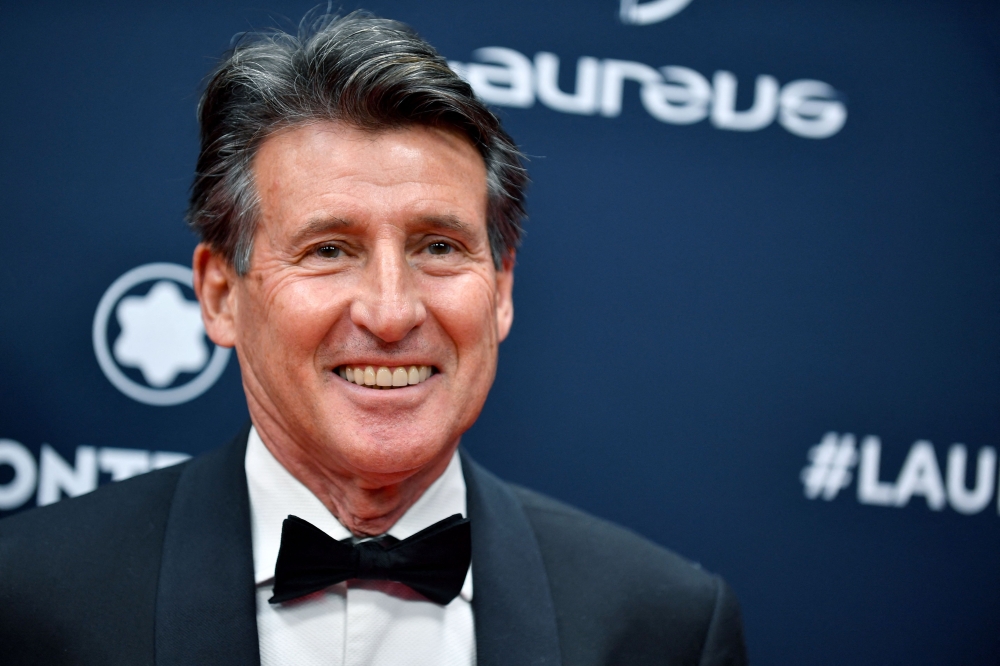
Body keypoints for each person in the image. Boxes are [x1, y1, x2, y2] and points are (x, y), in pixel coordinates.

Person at [0, 11, 748, 665]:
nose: (391, 314)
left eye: (439, 247)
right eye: (329, 250)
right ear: (220, 295)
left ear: (503, 290)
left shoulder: (663, 627)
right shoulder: (29, 601)